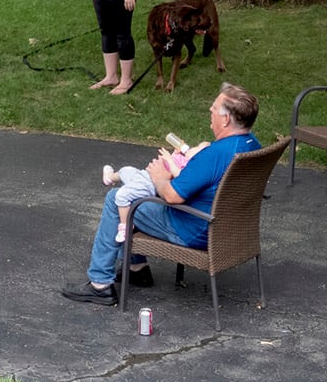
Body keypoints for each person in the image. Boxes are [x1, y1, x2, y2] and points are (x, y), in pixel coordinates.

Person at [62, 83, 261, 306]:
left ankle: (100, 284)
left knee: (117, 199)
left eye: (213, 108)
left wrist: (158, 176)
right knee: (137, 199)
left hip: (194, 228)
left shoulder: (215, 154)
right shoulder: (252, 145)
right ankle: (136, 268)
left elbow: (173, 196)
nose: (209, 111)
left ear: (226, 119)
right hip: (230, 229)